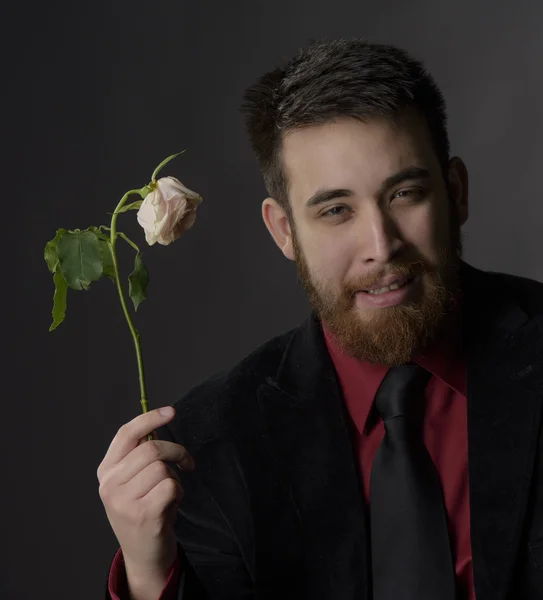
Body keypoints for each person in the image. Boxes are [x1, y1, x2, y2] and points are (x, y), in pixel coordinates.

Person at [97, 37, 543, 600]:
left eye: (405, 193)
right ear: (284, 232)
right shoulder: (211, 444)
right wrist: (145, 575)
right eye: (336, 210)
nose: (380, 246)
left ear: (456, 193)